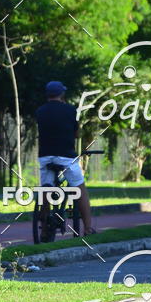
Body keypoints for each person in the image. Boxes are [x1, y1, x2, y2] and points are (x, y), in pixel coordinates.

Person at [35, 80, 95, 235]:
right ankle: (88, 228)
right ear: (62, 94)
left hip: (45, 157)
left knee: (46, 188)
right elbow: (76, 133)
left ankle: (43, 228)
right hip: (66, 157)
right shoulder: (70, 110)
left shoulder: (40, 111)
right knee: (80, 189)